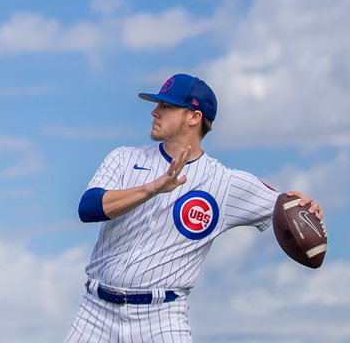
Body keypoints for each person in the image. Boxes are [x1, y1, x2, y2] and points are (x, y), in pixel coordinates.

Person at [64, 73, 322, 342]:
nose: (155, 111)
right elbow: (88, 208)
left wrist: (306, 205)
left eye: (166, 106)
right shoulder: (125, 158)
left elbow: (286, 206)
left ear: (194, 117)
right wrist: (151, 188)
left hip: (161, 318)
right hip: (95, 312)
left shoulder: (225, 183)